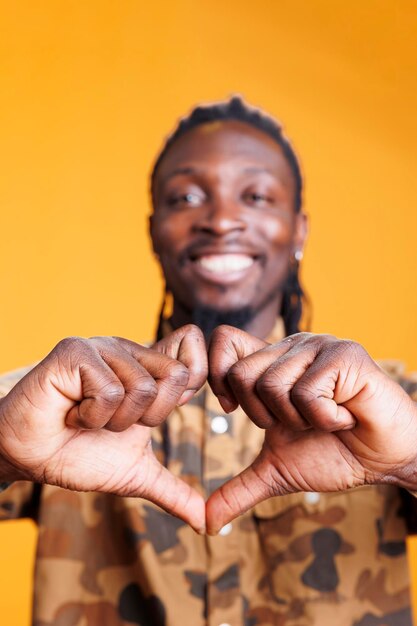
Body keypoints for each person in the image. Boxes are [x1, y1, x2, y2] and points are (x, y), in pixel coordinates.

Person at [1, 97, 417, 626]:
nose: (221, 221)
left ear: (299, 231)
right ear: (155, 232)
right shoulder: (52, 401)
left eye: (257, 196)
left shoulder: (394, 408)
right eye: (188, 197)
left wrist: (409, 460)